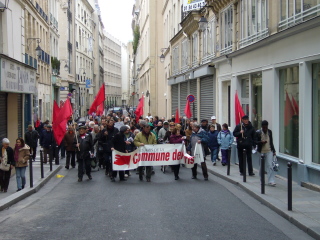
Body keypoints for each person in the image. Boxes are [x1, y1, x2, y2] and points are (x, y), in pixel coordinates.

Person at [256, 120, 276, 186]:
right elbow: (255, 142)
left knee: (270, 165)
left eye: (266, 127)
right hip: (261, 151)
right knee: (261, 166)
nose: (265, 129)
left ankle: (271, 180)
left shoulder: (269, 132)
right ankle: (262, 180)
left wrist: (274, 150)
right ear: (261, 126)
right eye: (264, 127)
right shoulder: (258, 132)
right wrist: (260, 142)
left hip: (269, 151)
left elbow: (271, 142)